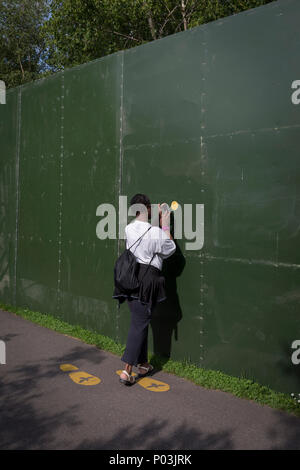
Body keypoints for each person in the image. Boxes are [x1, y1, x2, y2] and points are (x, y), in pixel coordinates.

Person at [114, 193, 176, 385]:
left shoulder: (129, 228)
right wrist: (165, 223)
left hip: (131, 278)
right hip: (148, 280)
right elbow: (170, 248)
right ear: (148, 209)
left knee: (139, 319)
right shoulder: (155, 232)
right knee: (139, 323)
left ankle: (142, 363)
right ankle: (127, 370)